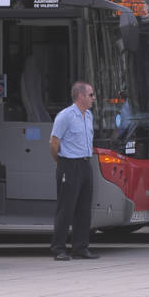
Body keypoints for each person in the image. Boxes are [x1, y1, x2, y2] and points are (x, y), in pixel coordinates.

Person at [49, 81, 99, 261]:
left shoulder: (89, 116)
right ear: (80, 96)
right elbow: (54, 142)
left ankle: (80, 247)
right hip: (69, 164)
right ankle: (59, 248)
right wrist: (60, 162)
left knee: (84, 208)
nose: (93, 98)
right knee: (66, 208)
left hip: (85, 164)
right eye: (91, 95)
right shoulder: (65, 116)